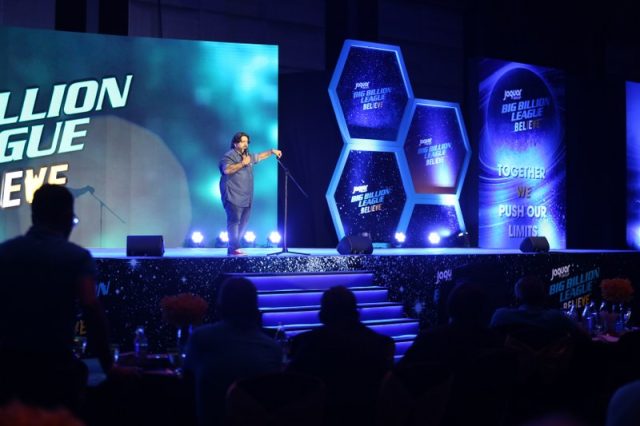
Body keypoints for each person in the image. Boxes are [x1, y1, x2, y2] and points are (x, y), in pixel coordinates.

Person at [0, 184, 113, 410]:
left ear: (33, 216)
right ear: (68, 218)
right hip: (54, 371)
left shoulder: (4, 252)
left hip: (6, 372)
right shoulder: (77, 258)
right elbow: (91, 307)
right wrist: (109, 366)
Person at [287, 286, 395, 426]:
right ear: (355, 312)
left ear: (323, 314)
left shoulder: (305, 343)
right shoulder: (382, 344)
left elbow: (291, 387)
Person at [183, 277, 282, 426]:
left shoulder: (200, 339)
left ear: (220, 307)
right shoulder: (273, 348)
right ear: (255, 310)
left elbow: (186, 387)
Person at [219, 131, 282, 256]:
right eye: (243, 142)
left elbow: (259, 156)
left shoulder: (246, 156)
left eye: (247, 142)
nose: (245, 144)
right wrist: (243, 163)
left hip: (246, 196)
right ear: (235, 143)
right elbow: (226, 170)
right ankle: (234, 248)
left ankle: (234, 247)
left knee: (243, 222)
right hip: (233, 194)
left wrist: (271, 151)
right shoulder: (229, 155)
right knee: (234, 221)